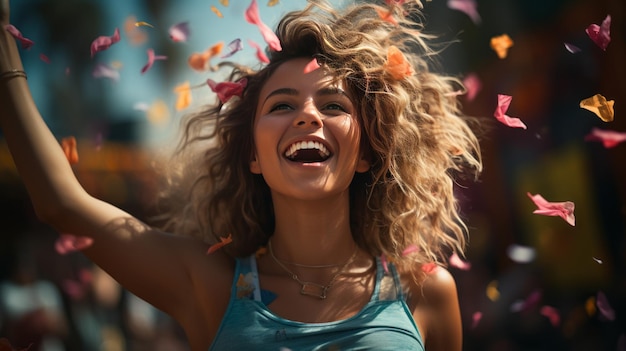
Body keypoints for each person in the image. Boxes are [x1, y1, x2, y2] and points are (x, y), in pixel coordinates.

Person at [0, 0, 482, 350]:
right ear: (253, 154)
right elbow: (61, 204)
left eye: (333, 105)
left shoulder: (427, 292)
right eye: (282, 104)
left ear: (365, 154)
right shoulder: (208, 283)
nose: (308, 116)